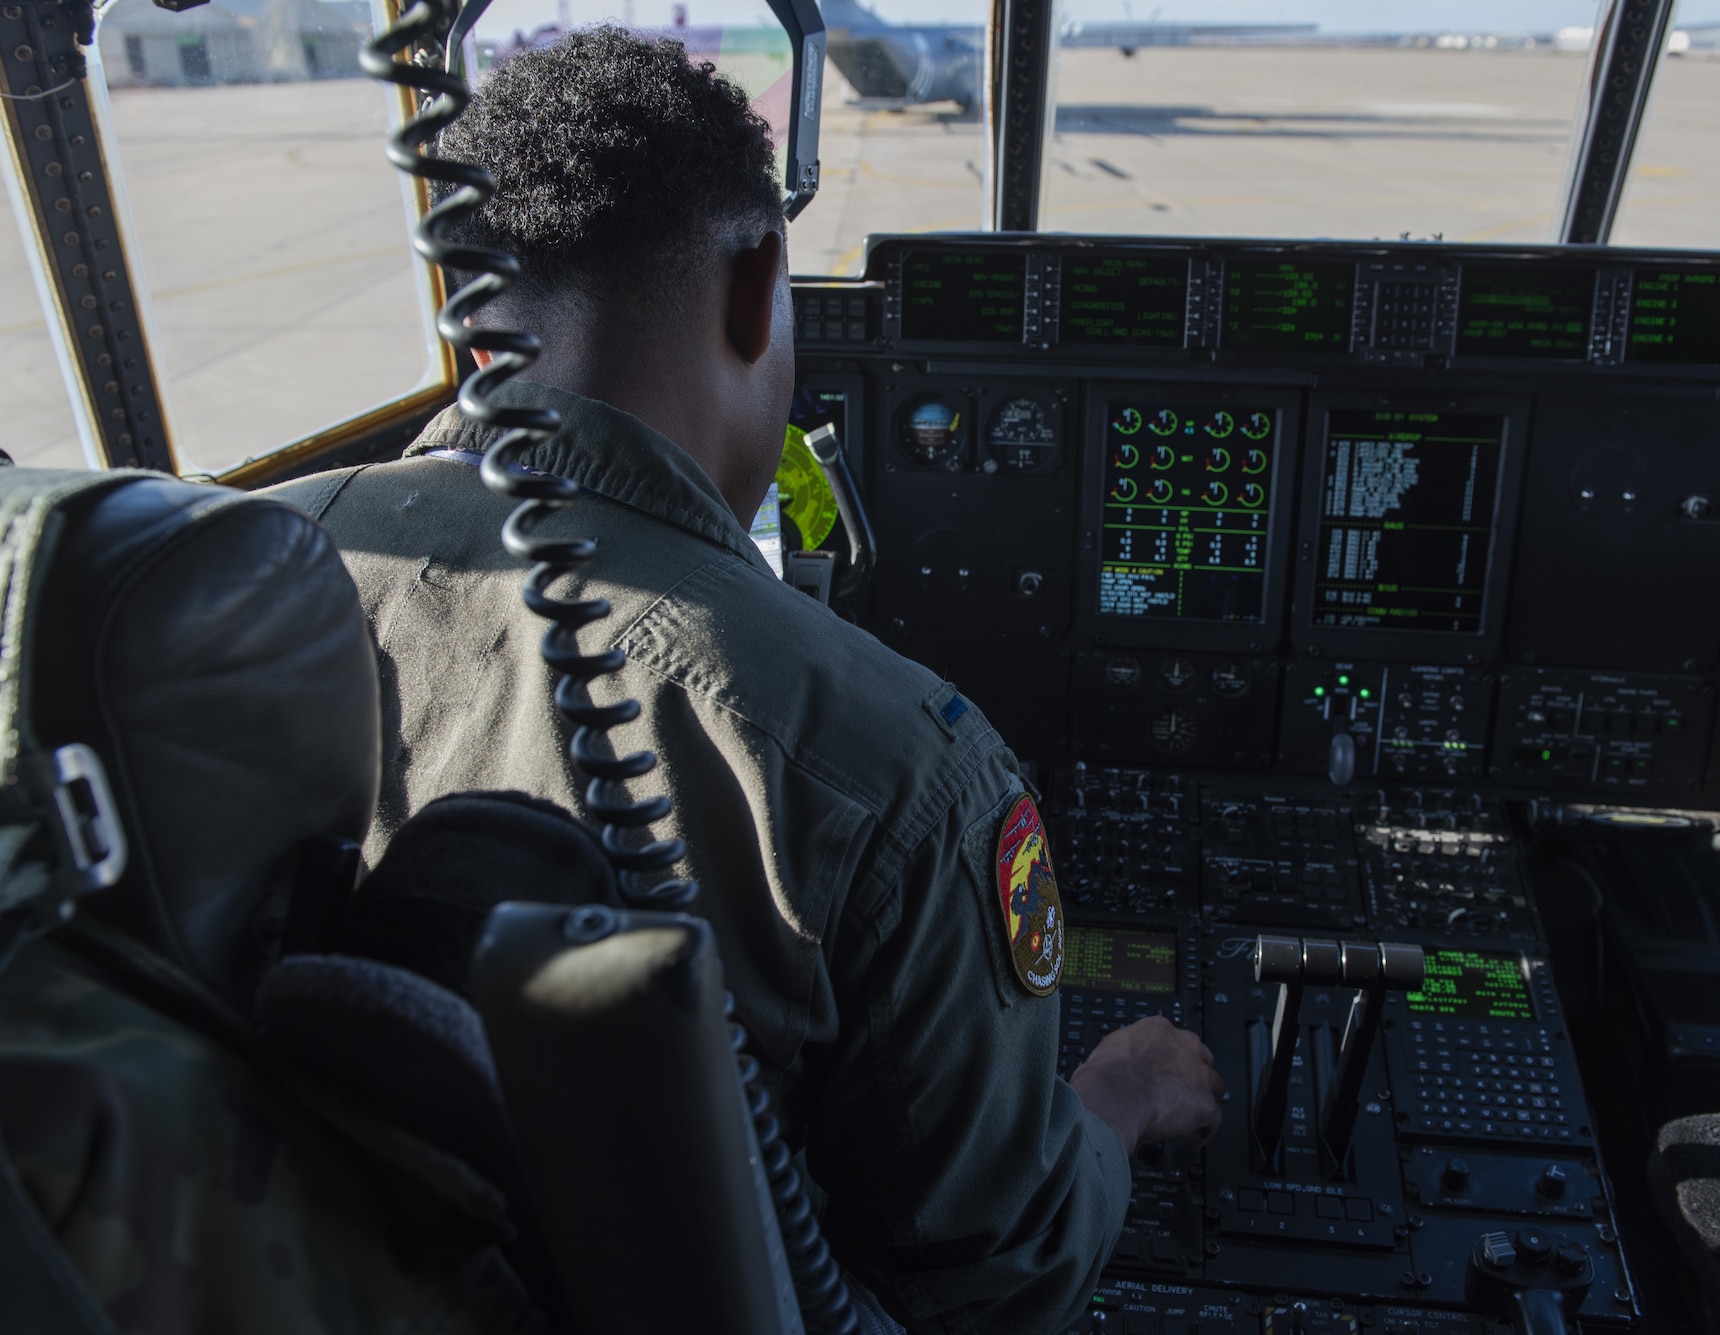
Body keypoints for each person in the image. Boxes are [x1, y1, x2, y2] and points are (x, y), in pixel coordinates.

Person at [267, 27, 1222, 1335]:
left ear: (472, 300)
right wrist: (1117, 1097)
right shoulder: (901, 769)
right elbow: (1001, 1284)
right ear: (759, 283)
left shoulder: (236, 571)